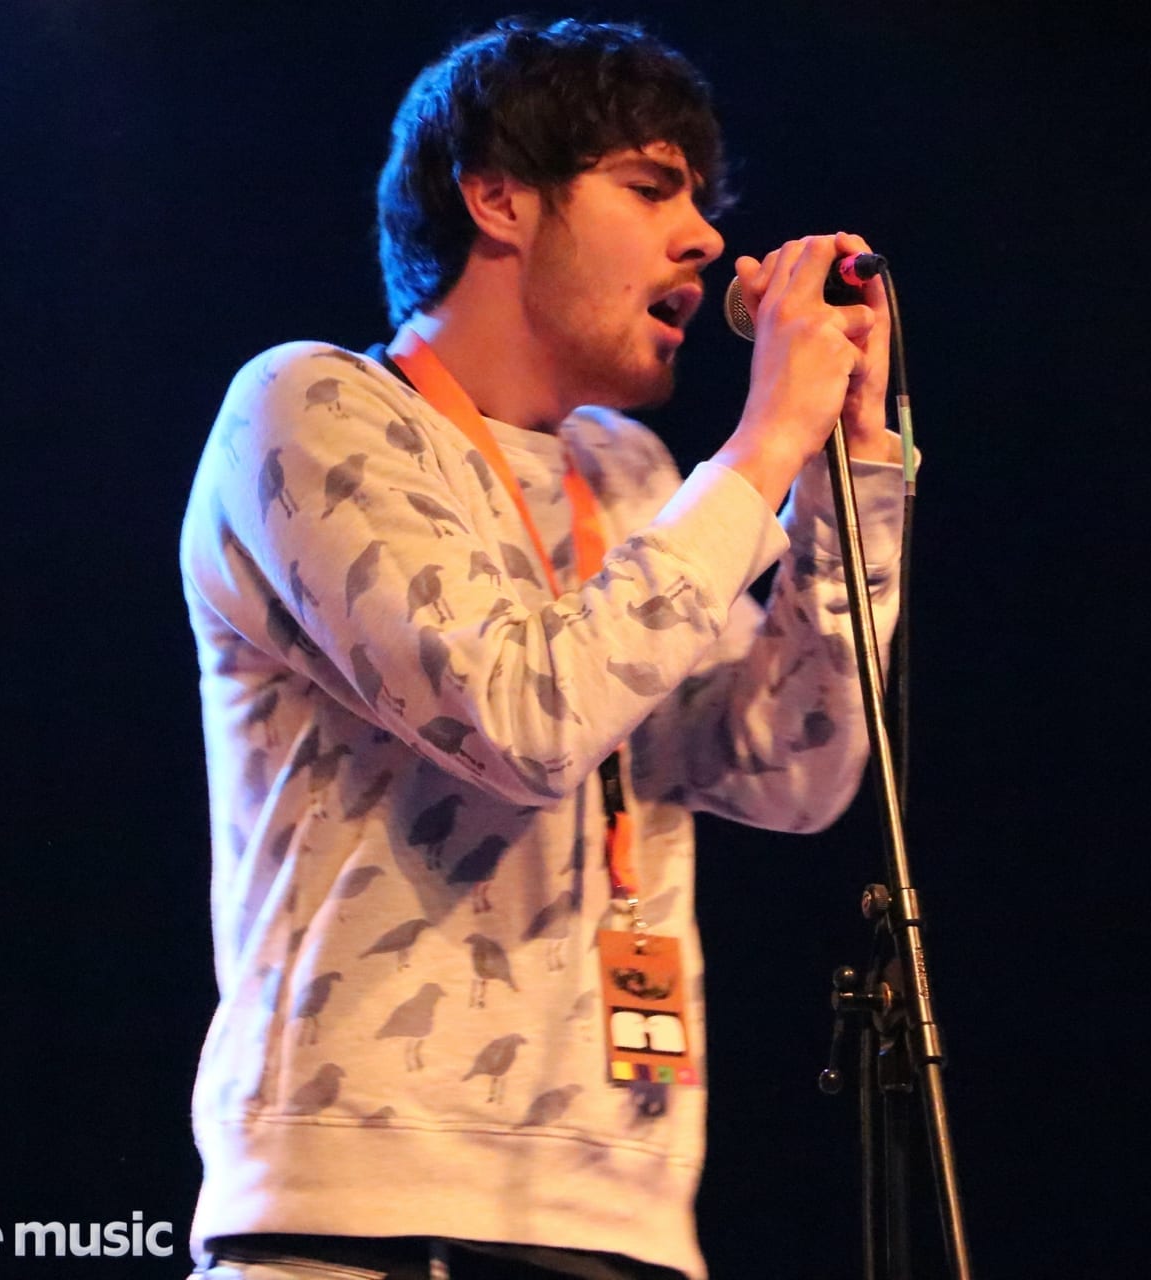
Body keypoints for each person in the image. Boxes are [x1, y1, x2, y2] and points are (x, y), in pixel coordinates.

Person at [180, 17, 906, 1280]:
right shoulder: (311, 408)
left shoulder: (632, 476)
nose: (706, 239)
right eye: (650, 187)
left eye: (701, 200)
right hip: (368, 1218)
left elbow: (791, 767)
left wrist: (846, 479)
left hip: (623, 1221)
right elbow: (524, 718)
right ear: (499, 197)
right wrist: (758, 452)